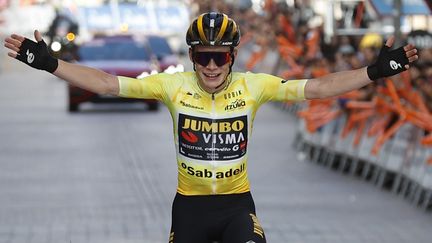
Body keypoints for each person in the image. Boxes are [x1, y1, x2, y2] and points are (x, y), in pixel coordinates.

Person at [3, 12, 418, 243]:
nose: (212, 67)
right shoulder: (172, 85)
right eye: (203, 58)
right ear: (192, 56)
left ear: (234, 55)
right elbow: (107, 83)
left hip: (237, 206)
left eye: (220, 57)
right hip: (190, 209)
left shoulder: (255, 86)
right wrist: (50, 63)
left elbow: (321, 87)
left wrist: (376, 71)